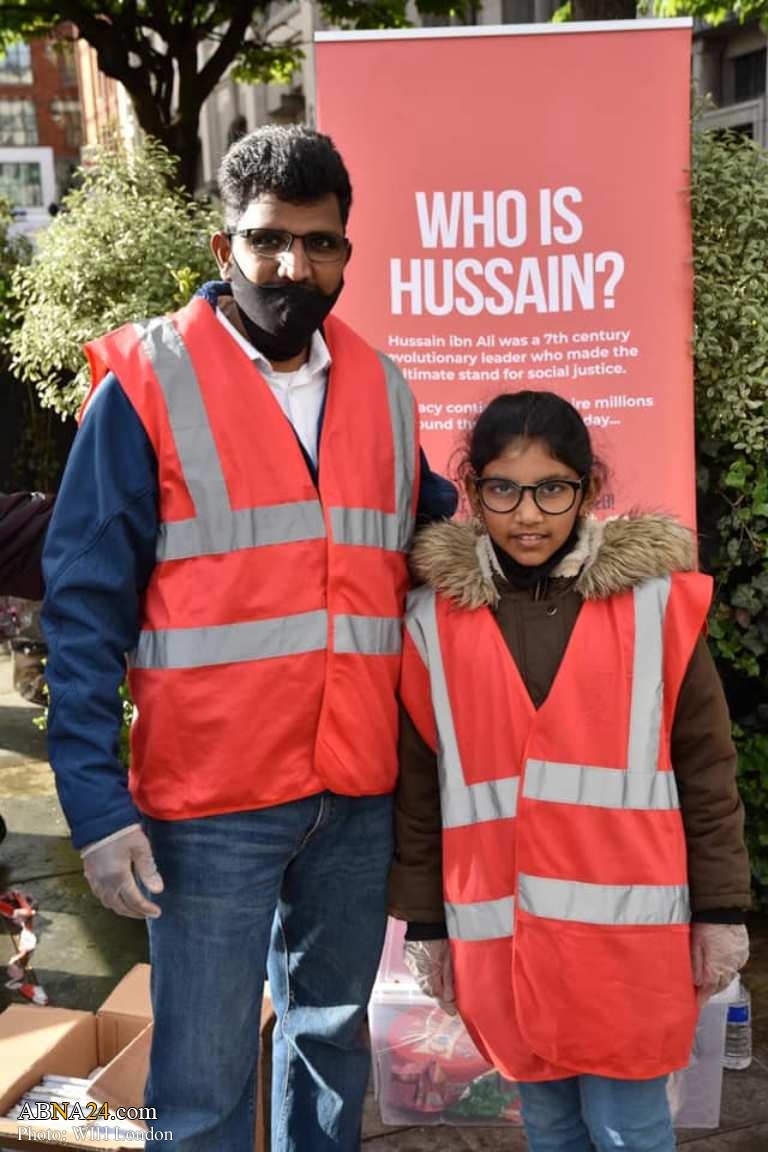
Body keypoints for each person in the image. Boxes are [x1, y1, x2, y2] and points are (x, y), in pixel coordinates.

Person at [42, 125, 457, 1152]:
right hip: (211, 802)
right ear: (226, 246)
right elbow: (84, 610)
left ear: (348, 252)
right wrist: (97, 810)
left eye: (321, 245)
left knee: (331, 1041)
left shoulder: (383, 386)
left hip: (352, 793)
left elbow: (437, 532)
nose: (294, 267)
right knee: (199, 1086)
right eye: (270, 240)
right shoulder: (146, 382)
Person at [388, 390, 751, 1152]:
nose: (527, 516)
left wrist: (720, 910)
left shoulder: (656, 606)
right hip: (502, 937)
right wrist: (426, 923)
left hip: (627, 949)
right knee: (549, 1125)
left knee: (629, 1129)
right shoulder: (431, 624)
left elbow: (708, 770)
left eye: (552, 488)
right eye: (503, 489)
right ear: (474, 490)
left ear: (587, 490)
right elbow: (420, 795)